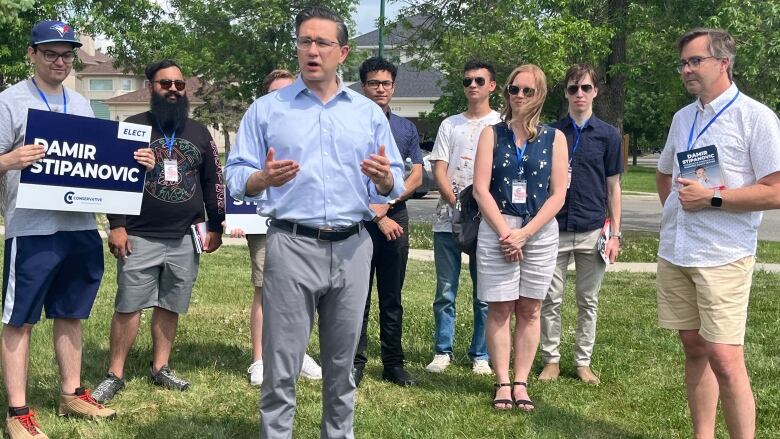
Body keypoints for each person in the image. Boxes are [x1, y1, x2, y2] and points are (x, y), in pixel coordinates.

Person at [224, 7, 404, 439]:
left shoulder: (367, 113)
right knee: (280, 367)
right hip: (290, 245)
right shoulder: (268, 110)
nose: (312, 50)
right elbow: (234, 175)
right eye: (305, 41)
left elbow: (392, 178)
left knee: (342, 369)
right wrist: (260, 179)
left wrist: (385, 180)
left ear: (342, 52)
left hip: (352, 247)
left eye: (323, 43)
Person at [0, 21, 154, 439]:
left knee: (72, 313)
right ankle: (18, 412)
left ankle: (72, 393)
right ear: (31, 54)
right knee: (20, 320)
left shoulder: (83, 105)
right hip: (31, 229)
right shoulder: (10, 101)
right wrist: (12, 159)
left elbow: (102, 165)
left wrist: (135, 163)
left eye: (66, 54)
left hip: (81, 225)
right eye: (50, 52)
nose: (59, 61)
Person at [656, 28, 780, 439]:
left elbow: (775, 190)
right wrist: (678, 212)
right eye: (683, 63)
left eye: (695, 61)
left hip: (723, 255)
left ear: (723, 63)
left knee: (725, 359)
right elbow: (664, 173)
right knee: (693, 348)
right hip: (677, 251)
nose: (686, 70)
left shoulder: (756, 117)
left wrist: (712, 200)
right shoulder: (683, 117)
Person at [91, 59, 225, 404]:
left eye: (179, 85)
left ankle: (160, 367)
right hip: (139, 234)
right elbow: (113, 178)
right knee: (129, 305)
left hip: (186, 236)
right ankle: (115, 373)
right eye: (165, 84)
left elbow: (213, 181)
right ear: (151, 87)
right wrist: (117, 225)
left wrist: (217, 225)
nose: (173, 90)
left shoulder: (199, 132)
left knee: (171, 303)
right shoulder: (132, 126)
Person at [472, 64, 567, 411]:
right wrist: (506, 234)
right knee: (499, 308)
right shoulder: (491, 134)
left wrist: (525, 234)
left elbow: (558, 195)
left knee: (530, 308)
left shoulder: (555, 137)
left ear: (540, 95)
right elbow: (481, 190)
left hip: (538, 229)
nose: (520, 96)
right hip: (497, 226)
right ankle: (502, 382)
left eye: (528, 90)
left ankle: (522, 382)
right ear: (506, 93)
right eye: (515, 89)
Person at [539, 64, 623, 385]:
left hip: (592, 229)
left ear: (595, 92)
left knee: (588, 301)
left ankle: (583, 362)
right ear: (565, 93)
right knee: (551, 299)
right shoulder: (552, 133)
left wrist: (615, 233)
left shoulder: (608, 135)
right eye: (573, 89)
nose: (579, 94)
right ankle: (551, 360)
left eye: (585, 88)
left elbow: (613, 187)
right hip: (555, 229)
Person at [237, 69, 322, 387]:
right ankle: (259, 359)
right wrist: (235, 219)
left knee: (304, 291)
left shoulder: (312, 129)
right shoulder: (256, 129)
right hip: (264, 223)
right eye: (276, 93)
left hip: (306, 223)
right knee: (265, 289)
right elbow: (239, 175)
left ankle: (297, 355)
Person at [426, 59, 501, 375]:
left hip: (487, 222)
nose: (472, 85)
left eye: (479, 81)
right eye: (467, 80)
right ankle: (443, 351)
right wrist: (457, 204)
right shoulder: (449, 124)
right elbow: (438, 168)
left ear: (492, 86)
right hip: (449, 218)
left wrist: (484, 209)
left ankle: (480, 355)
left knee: (484, 292)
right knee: (445, 290)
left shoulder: (502, 124)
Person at [352, 57, 423, 387]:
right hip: (360, 222)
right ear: (363, 86)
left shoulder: (406, 129)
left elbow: (416, 176)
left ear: (393, 87)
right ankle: (355, 361)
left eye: (386, 83)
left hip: (396, 219)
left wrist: (387, 205)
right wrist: (374, 214)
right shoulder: (350, 125)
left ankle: (393, 363)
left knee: (392, 297)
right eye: (373, 83)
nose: (380, 89)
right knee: (358, 296)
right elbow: (345, 179)